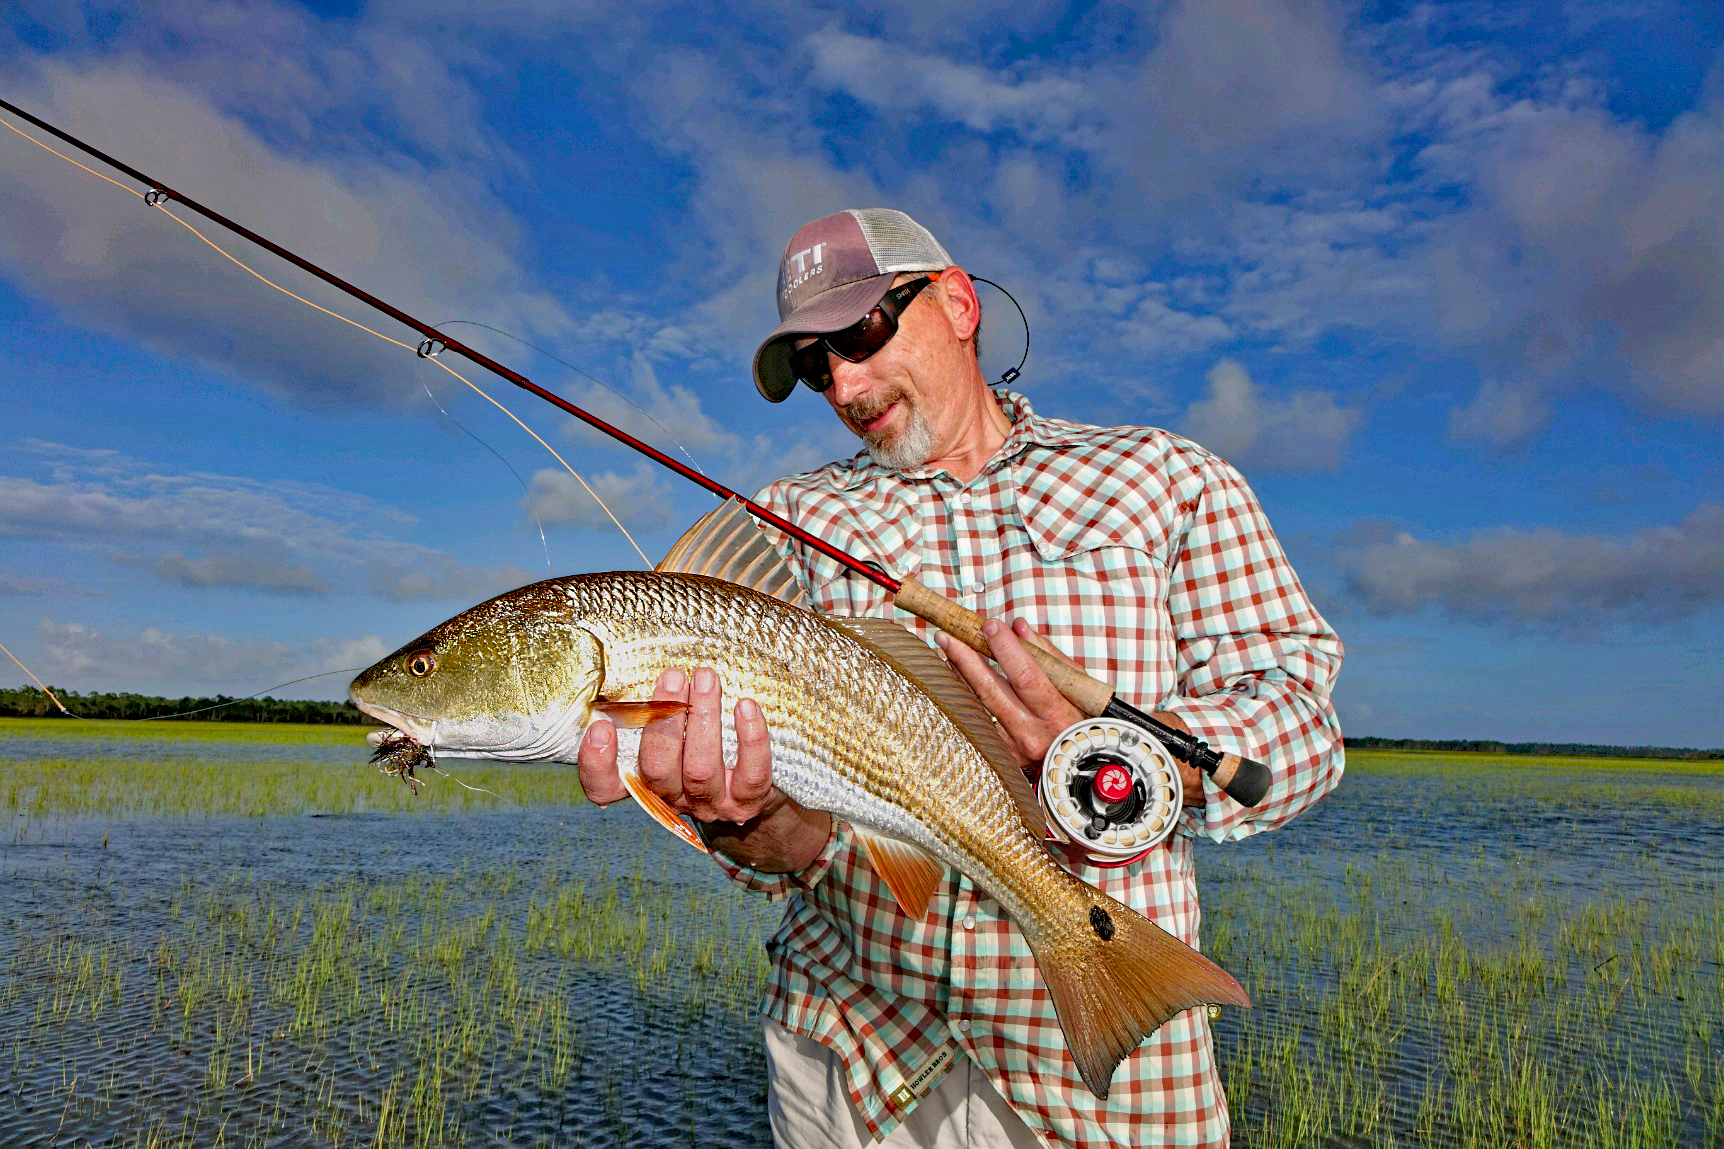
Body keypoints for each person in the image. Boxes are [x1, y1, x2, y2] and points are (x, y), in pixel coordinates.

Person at [577, 208, 1344, 1148]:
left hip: (1108, 1094)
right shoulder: (781, 523)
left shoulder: (1166, 477)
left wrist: (1129, 760)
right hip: (852, 1062)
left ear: (958, 299)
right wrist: (748, 828)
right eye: (816, 367)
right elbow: (788, 850)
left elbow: (1301, 722)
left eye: (861, 333)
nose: (846, 385)